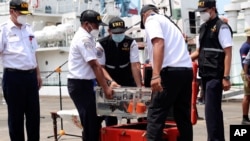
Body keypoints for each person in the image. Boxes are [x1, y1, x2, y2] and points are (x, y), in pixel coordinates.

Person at [140, 4, 193, 141]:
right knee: (183, 115)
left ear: (144, 15)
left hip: (170, 72)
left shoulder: (151, 20)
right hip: (186, 71)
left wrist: (156, 74)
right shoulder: (169, 23)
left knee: (156, 112)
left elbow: (158, 43)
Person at [67, 10, 113, 141]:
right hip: (80, 84)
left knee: (94, 121)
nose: (98, 28)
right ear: (87, 24)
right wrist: (106, 88)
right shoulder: (83, 39)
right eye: (96, 25)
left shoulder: (90, 38)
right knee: (90, 122)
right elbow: (95, 65)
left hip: (87, 83)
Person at [0, 0, 42, 141]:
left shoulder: (28, 28)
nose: (24, 16)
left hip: (30, 77)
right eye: (21, 13)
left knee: (33, 117)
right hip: (13, 78)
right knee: (16, 118)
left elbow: (33, 52)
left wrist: (38, 74)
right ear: (12, 11)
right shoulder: (4, 30)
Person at [191, 0, 233, 140]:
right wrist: (183, 59)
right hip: (205, 75)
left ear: (213, 9)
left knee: (211, 111)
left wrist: (226, 77)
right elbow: (198, 51)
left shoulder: (222, 27)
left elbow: (228, 52)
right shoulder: (203, 28)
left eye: (204, 11)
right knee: (212, 112)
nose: (202, 14)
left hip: (216, 75)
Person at [96, 16, 142, 126]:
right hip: (108, 76)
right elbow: (100, 67)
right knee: (110, 112)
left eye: (121, 32)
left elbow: (135, 65)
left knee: (138, 109)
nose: (119, 35)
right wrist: (110, 82)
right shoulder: (102, 44)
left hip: (126, 75)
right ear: (109, 31)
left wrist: (139, 86)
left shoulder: (131, 42)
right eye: (115, 33)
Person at [239, 27, 250, 125]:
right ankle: (245, 118)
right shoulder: (245, 47)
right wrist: (247, 75)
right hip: (247, 72)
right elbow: (244, 62)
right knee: (247, 95)